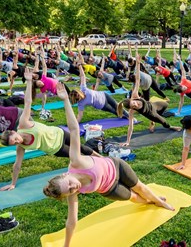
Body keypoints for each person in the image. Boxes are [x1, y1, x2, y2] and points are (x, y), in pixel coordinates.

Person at [43, 83, 174, 247]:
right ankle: (151, 201)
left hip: (116, 166)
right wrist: (66, 245)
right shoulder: (71, 193)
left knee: (140, 186)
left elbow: (74, 130)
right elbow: (72, 221)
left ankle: (159, 202)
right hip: (110, 188)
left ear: (65, 175)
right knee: (134, 198)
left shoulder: (76, 161)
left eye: (69, 184)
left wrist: (65, 101)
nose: (74, 187)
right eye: (70, 191)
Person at [0, 69, 99, 191]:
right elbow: (17, 165)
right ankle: (93, 169)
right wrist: (13, 183)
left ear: (14, 132)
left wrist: (29, 81)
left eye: (15, 139)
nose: (17, 142)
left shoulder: (23, 125)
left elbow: (28, 102)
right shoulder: (21, 147)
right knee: (77, 158)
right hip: (56, 148)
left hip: (59, 133)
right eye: (13, 144)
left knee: (82, 148)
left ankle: (102, 159)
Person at [117, 53, 181, 146]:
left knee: (166, 105)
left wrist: (138, 64)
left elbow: (138, 79)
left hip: (153, 105)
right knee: (164, 122)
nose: (135, 105)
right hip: (151, 114)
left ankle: (153, 122)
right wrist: (127, 141)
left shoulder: (135, 95)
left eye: (133, 103)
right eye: (133, 106)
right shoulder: (131, 111)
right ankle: (170, 126)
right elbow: (130, 127)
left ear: (132, 99)